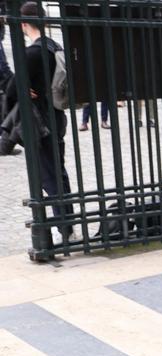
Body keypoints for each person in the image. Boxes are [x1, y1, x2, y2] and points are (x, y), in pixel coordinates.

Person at [14, 2, 73, 246]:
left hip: (39, 121)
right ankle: (65, 225)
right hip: (57, 115)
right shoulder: (54, 47)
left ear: (24, 24)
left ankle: (64, 229)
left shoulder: (32, 53)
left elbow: (11, 88)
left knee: (49, 175)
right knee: (58, 172)